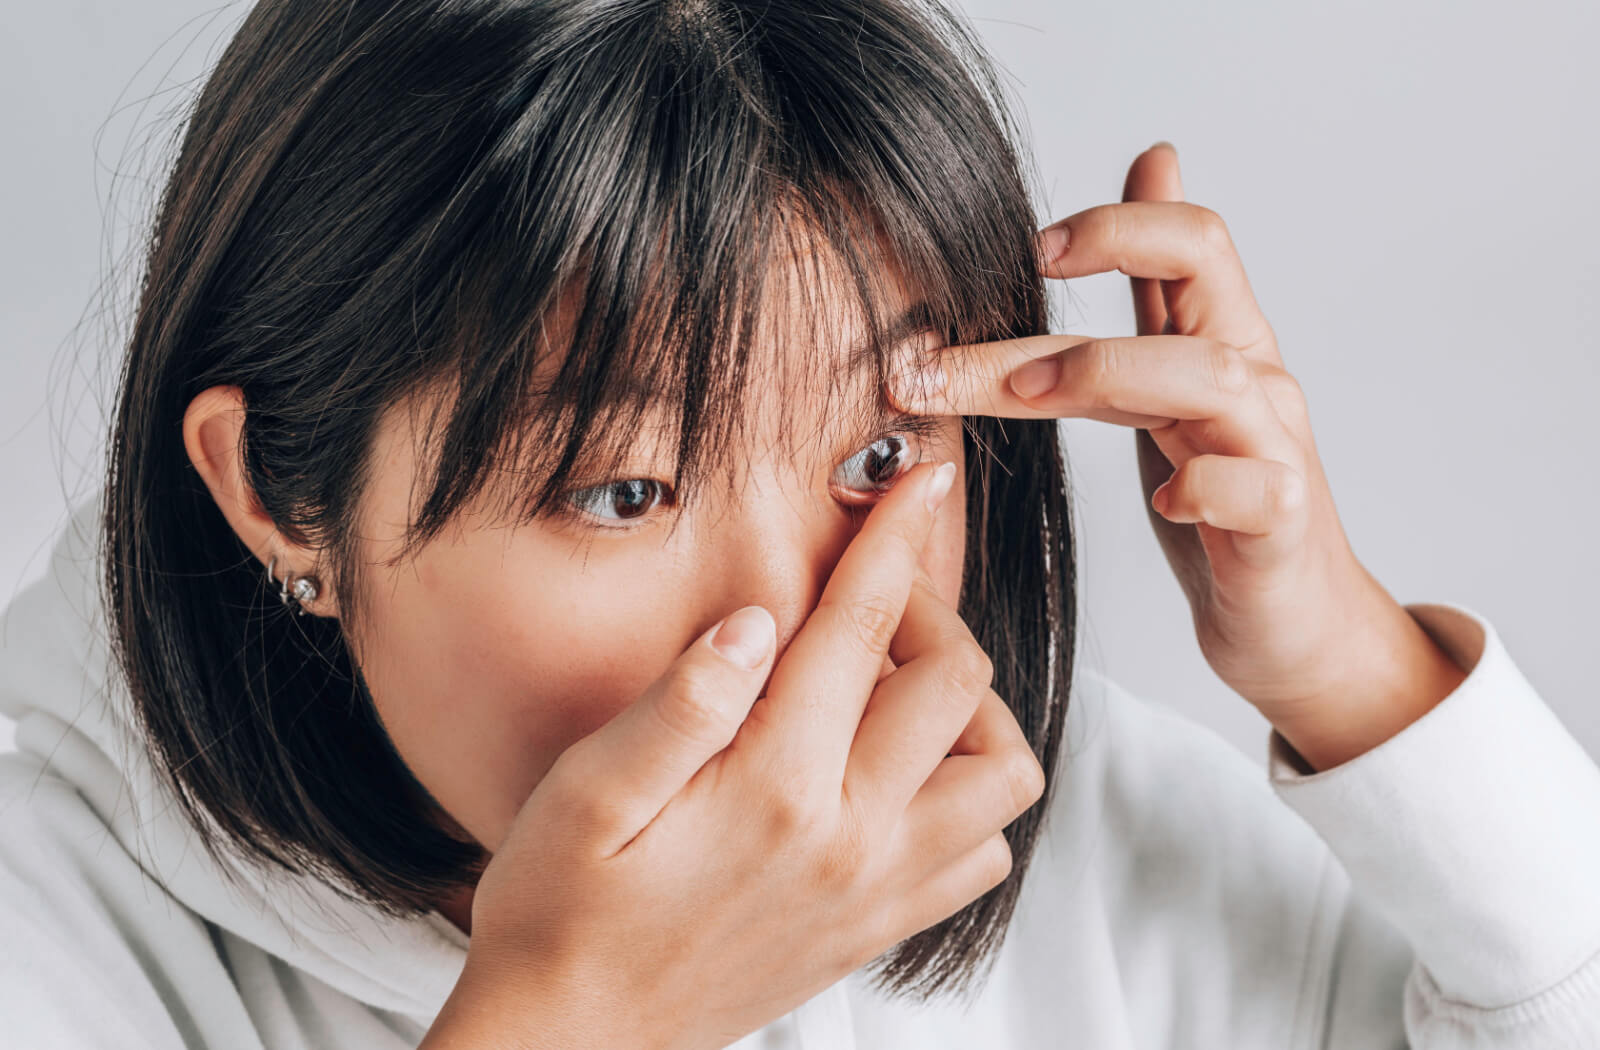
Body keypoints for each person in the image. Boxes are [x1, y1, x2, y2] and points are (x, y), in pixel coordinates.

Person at [2, 0, 1597, 1047]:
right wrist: (577, 1014)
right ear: (281, 496)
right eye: (623, 489)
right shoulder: (51, 917)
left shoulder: (1066, 822)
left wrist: (1352, 668)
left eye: (879, 451)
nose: (791, 639)